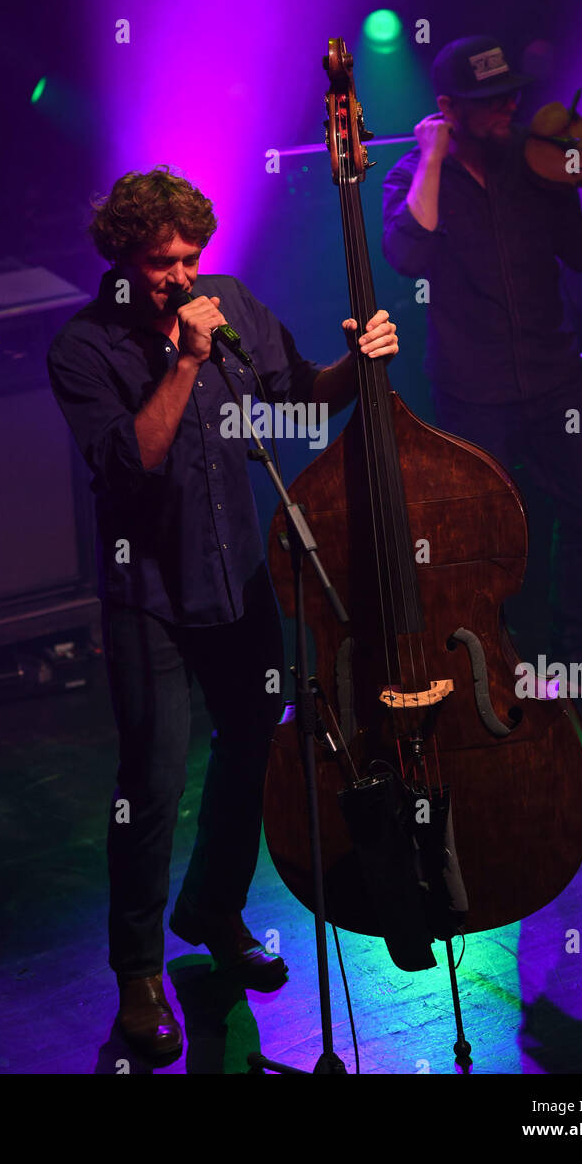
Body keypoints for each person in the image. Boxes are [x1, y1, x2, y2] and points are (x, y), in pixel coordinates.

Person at [47, 165, 398, 1060]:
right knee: (154, 786)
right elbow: (131, 462)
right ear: (122, 257)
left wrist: (354, 371)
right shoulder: (84, 347)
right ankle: (137, 974)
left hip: (239, 582)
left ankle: (212, 910)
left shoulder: (229, 299)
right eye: (162, 261)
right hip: (149, 599)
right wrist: (188, 360)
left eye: (190, 255)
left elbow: (295, 404)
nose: (182, 275)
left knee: (255, 751)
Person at [381, 35, 582, 711]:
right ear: (447, 108)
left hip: (555, 374)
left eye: (511, 94)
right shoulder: (414, 175)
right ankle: (496, 670)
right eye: (489, 101)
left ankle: (579, 662)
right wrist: (433, 159)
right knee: (487, 536)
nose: (510, 107)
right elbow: (409, 253)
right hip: (473, 387)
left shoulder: (537, 168)